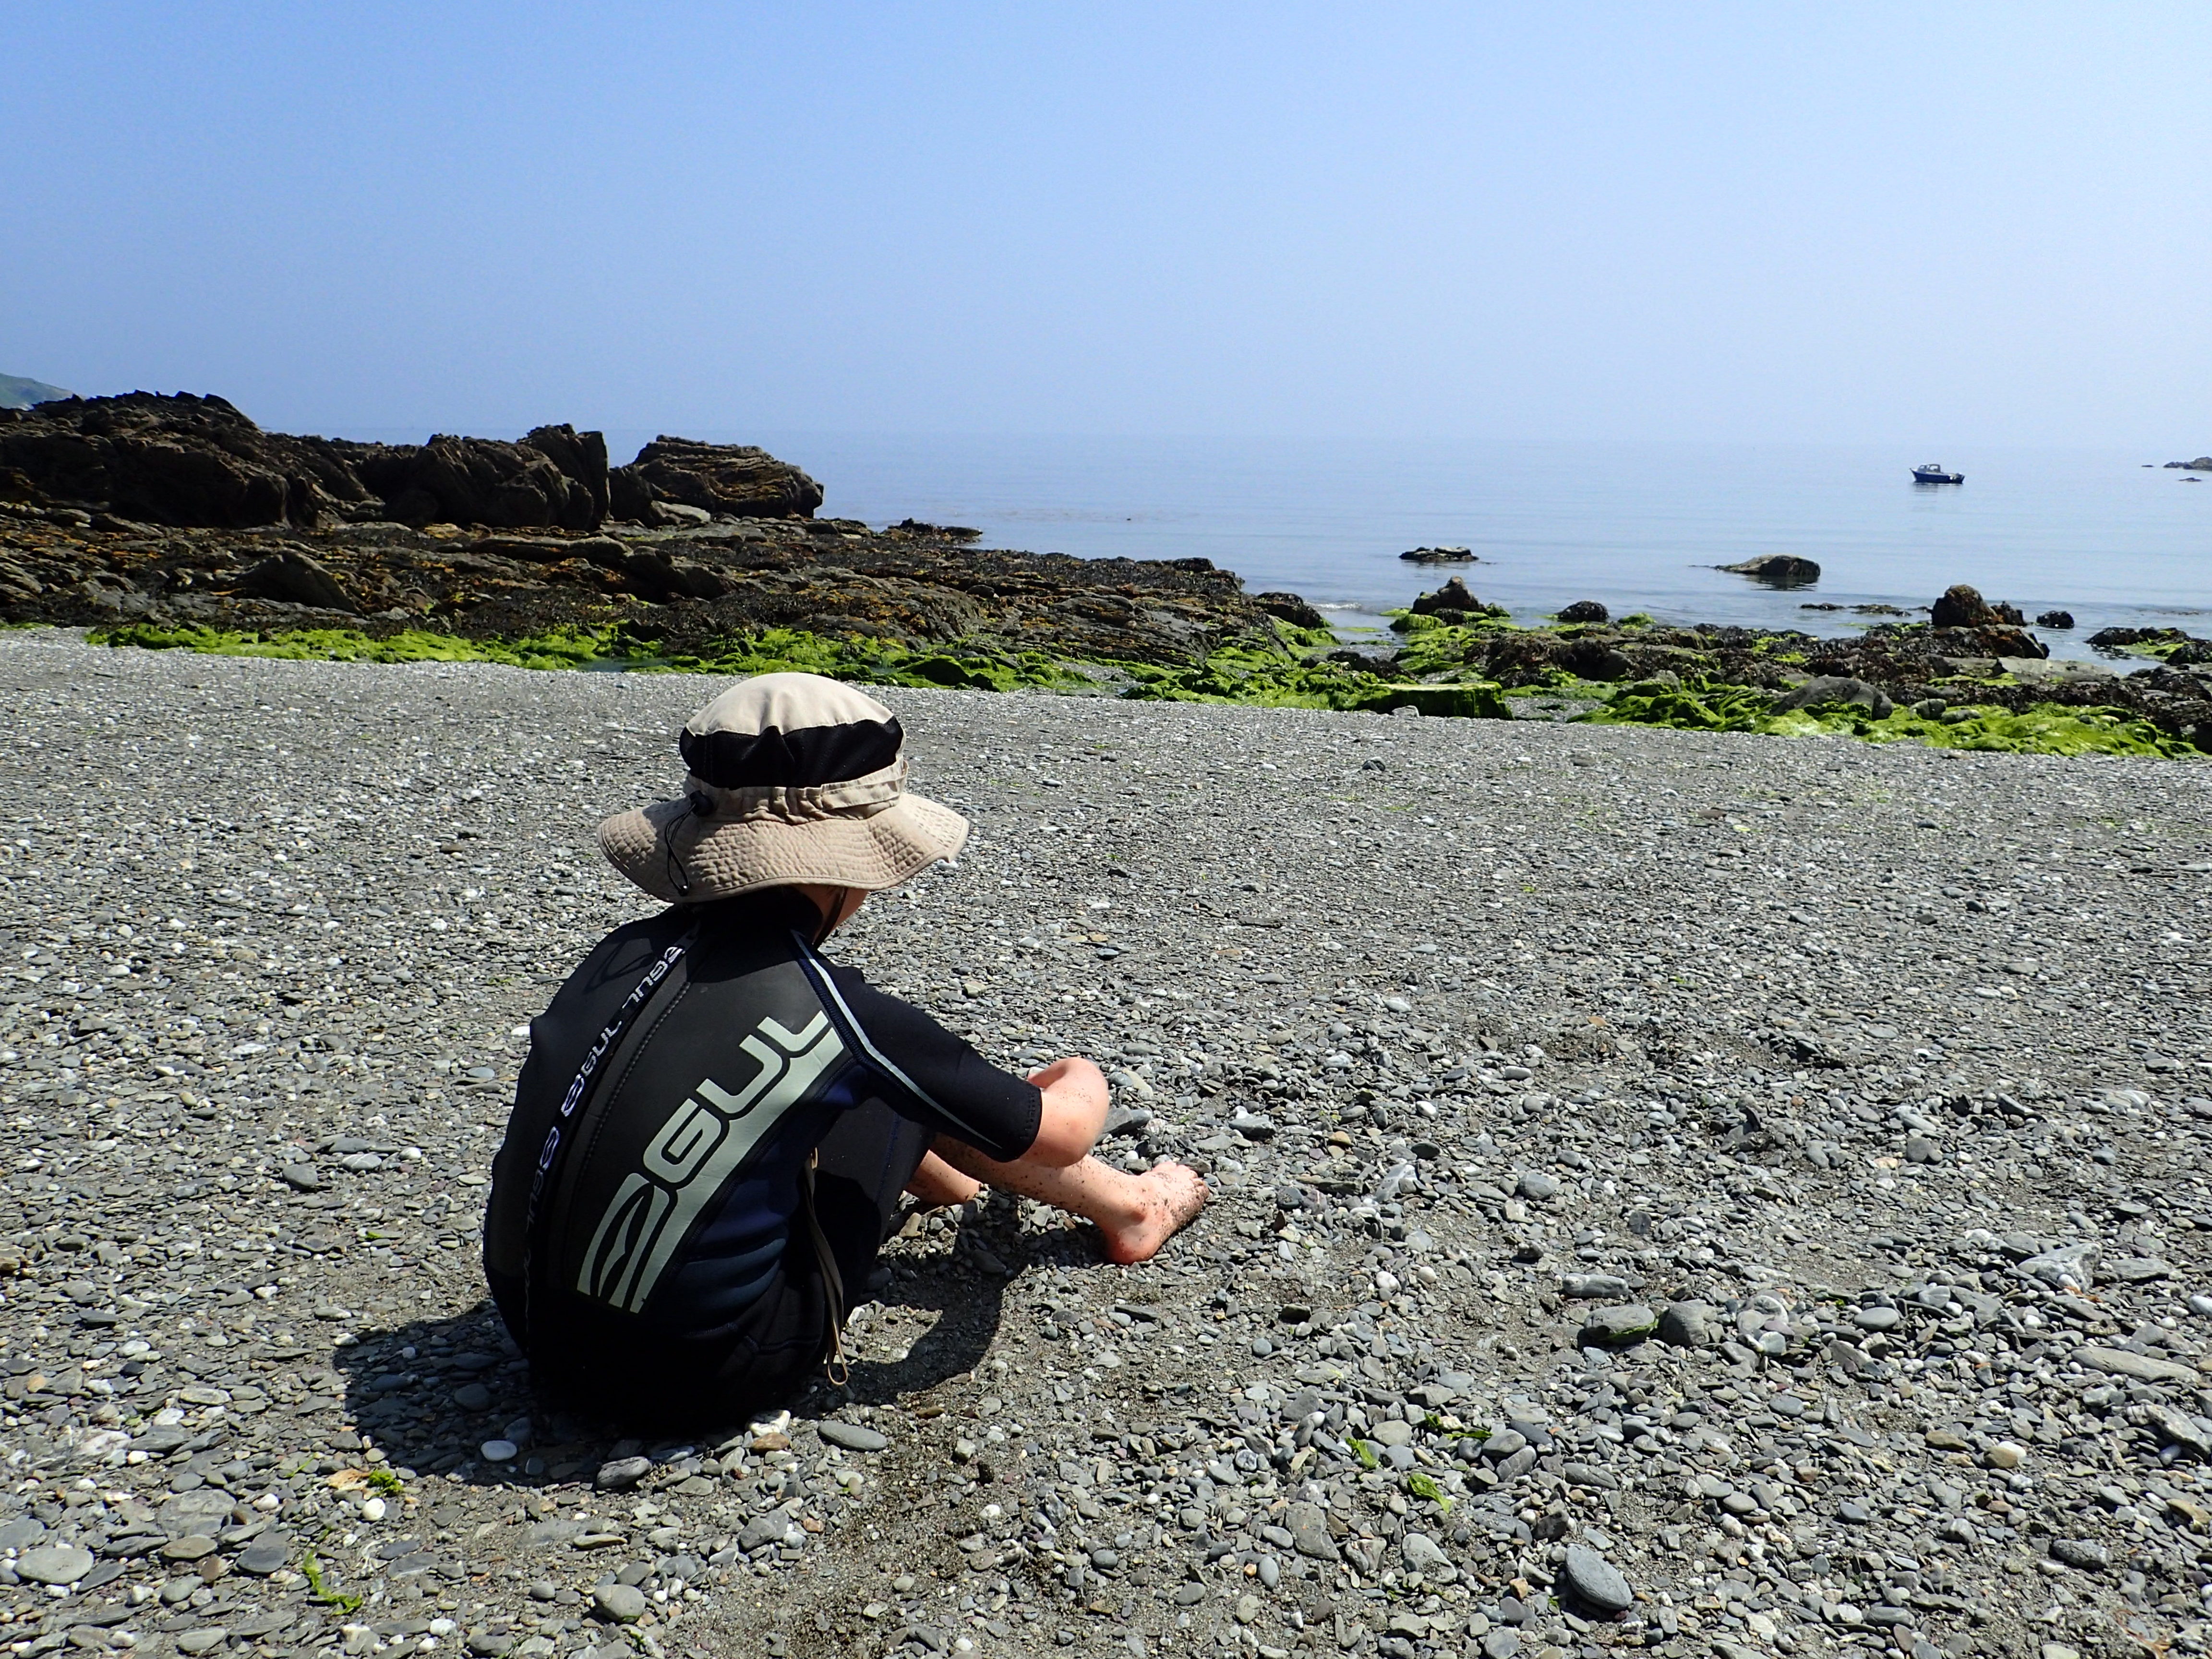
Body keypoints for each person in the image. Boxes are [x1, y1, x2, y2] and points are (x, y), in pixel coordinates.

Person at [482, 673, 1206, 1420]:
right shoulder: (834, 1011)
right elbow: (1064, 1134)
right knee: (884, 1076)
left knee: (817, 1074)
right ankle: (1134, 1207)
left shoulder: (618, 956)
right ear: (842, 868)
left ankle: (952, 1181)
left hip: (534, 1328)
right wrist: (1081, 1073)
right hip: (703, 1375)